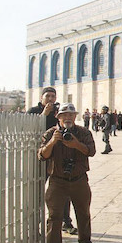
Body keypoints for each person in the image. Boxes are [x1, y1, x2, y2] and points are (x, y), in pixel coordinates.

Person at [38, 103, 96, 243]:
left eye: (71, 115)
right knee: (54, 217)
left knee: (83, 214)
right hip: (57, 181)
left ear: (75, 116)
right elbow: (42, 156)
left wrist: (76, 144)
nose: (68, 118)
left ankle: (85, 241)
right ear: (58, 118)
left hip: (79, 180)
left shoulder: (84, 133)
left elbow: (91, 151)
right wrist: (52, 142)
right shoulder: (51, 133)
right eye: (64, 115)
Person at [27, 87, 77, 234]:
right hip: (42, 154)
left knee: (64, 189)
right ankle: (36, 222)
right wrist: (44, 113)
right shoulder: (33, 111)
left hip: (59, 156)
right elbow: (30, 128)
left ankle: (65, 221)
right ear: (41, 97)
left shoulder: (58, 111)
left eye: (53, 96)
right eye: (47, 96)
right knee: (38, 189)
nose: (50, 99)